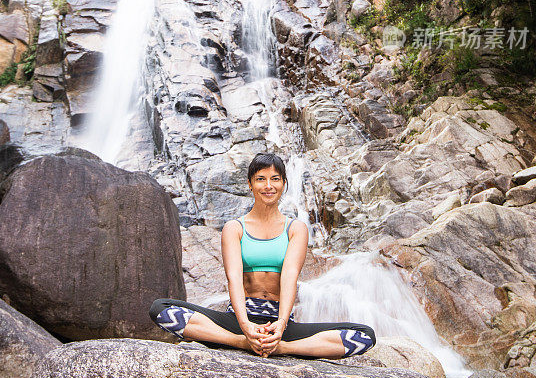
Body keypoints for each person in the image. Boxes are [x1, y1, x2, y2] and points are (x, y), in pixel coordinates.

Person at [149, 152, 376, 359]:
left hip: (281, 324)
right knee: (161, 309)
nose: (269, 186)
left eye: (275, 179)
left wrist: (281, 325)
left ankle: (283, 348)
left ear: (284, 184)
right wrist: (245, 327)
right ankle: (240, 343)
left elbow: (290, 276)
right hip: (239, 321)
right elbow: (234, 279)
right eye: (261, 179)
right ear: (250, 184)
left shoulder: (295, 228)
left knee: (364, 335)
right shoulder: (234, 228)